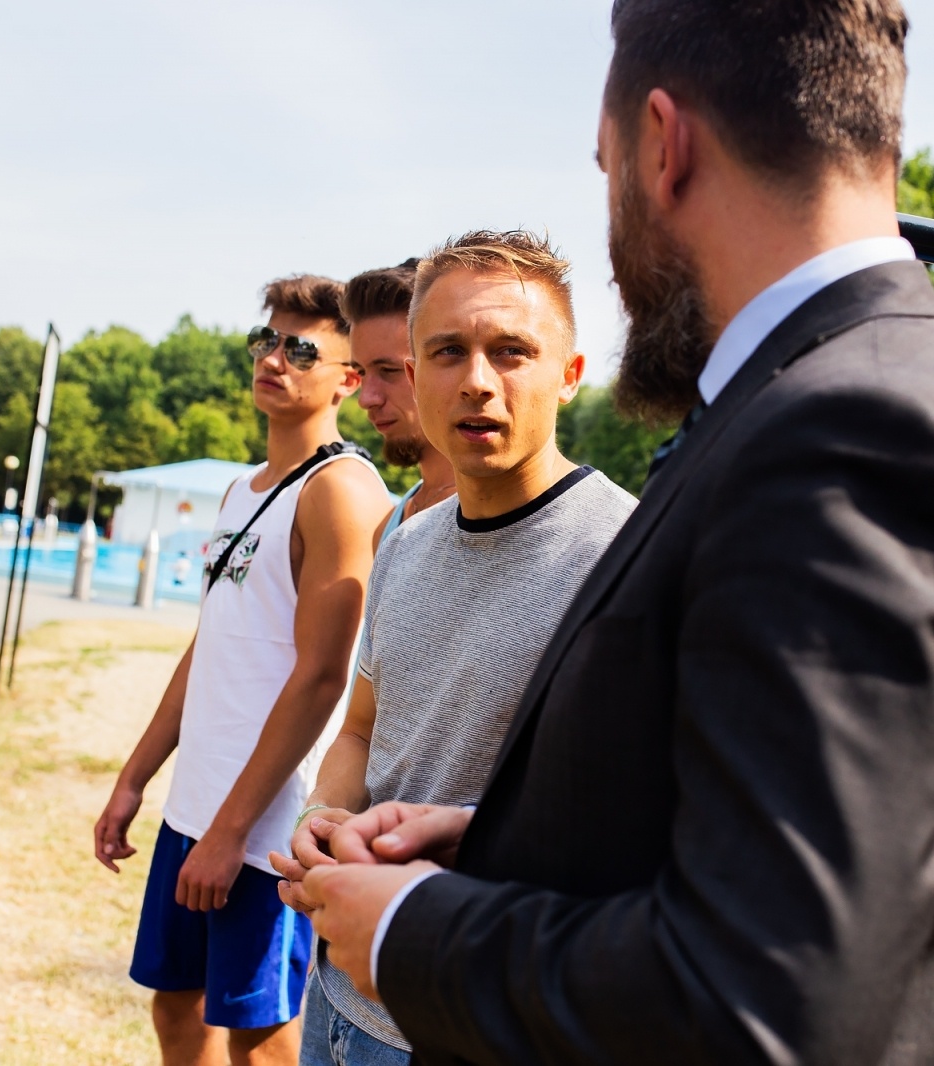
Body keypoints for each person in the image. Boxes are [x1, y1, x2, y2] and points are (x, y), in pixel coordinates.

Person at [300, 3, 934, 1064]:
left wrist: (405, 927)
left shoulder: (849, 436)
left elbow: (766, 1001)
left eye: (603, 161)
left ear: (662, 146)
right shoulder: (808, 400)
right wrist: (492, 840)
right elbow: (751, 845)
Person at [273, 232, 637, 1066]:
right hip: (338, 1001)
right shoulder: (404, 539)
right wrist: (324, 820)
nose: (477, 380)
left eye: (511, 351)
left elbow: (645, 824)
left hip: (482, 1026)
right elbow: (364, 727)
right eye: (447, 352)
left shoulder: (631, 557)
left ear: (570, 375)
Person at [94, 274, 392, 1066]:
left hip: (264, 829)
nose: (275, 360)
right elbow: (210, 647)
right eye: (267, 341)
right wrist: (136, 777)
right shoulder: (241, 488)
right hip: (199, 806)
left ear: (348, 378)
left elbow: (323, 678)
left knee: (260, 1037)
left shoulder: (342, 491)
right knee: (176, 1009)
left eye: (302, 349)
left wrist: (232, 834)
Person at [342, 259, 457, 537]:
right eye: (361, 372)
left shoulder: (499, 519)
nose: (366, 399)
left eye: (388, 371)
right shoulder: (388, 527)